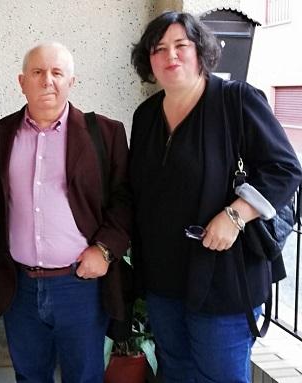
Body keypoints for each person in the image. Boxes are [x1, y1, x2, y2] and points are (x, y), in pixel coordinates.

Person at [129, 11, 302, 382]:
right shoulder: (145, 116)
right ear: (149, 60)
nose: (170, 55)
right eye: (159, 48)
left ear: (201, 51)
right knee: (175, 371)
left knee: (221, 375)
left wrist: (237, 214)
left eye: (181, 45)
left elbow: (285, 168)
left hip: (224, 277)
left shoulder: (236, 101)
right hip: (164, 280)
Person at [0, 42, 131, 382]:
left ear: (71, 82)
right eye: (37, 72)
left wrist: (105, 250)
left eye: (57, 73)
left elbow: (125, 200)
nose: (48, 80)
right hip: (19, 286)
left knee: (84, 376)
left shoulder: (105, 133)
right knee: (30, 376)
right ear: (22, 82)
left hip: (79, 284)